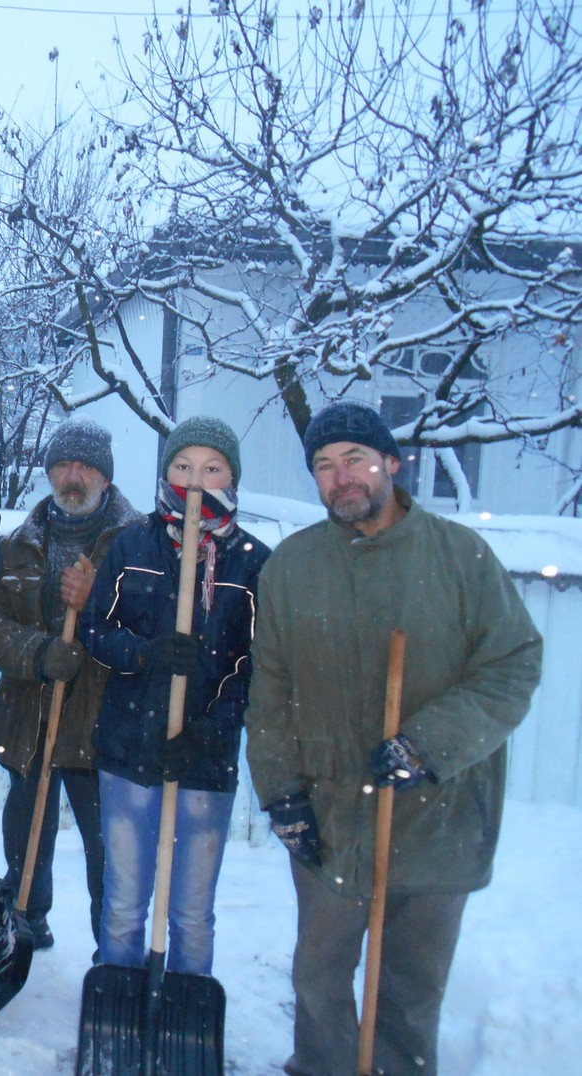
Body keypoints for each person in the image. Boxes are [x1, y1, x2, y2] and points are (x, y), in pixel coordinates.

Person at [244, 400, 542, 1076]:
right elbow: (270, 693)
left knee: (409, 992)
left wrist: (426, 745)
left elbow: (512, 664)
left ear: (390, 464)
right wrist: (282, 794)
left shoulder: (459, 557)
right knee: (318, 979)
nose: (339, 477)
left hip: (437, 817)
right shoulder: (291, 567)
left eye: (353, 458)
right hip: (330, 813)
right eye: (322, 466)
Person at [80, 416, 269, 975]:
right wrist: (147, 653)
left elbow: (260, 667)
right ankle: (119, 1007)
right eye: (183, 467)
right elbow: (96, 630)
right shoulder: (131, 543)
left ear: (231, 477)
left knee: (190, 912)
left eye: (212, 469)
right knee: (122, 905)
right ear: (166, 473)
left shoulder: (253, 561)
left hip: (205, 762)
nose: (195, 481)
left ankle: (185, 1007)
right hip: (128, 749)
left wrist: (208, 732)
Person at [0, 416, 144, 950]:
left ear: (106, 478)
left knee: (106, 847)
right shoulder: (17, 544)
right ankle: (26, 917)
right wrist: (41, 652)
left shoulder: (137, 545)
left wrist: (102, 600)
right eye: (65, 464)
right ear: (48, 472)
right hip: (31, 713)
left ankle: (111, 945)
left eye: (88, 466)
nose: (75, 476)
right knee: (25, 831)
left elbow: (153, 625)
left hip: (103, 723)